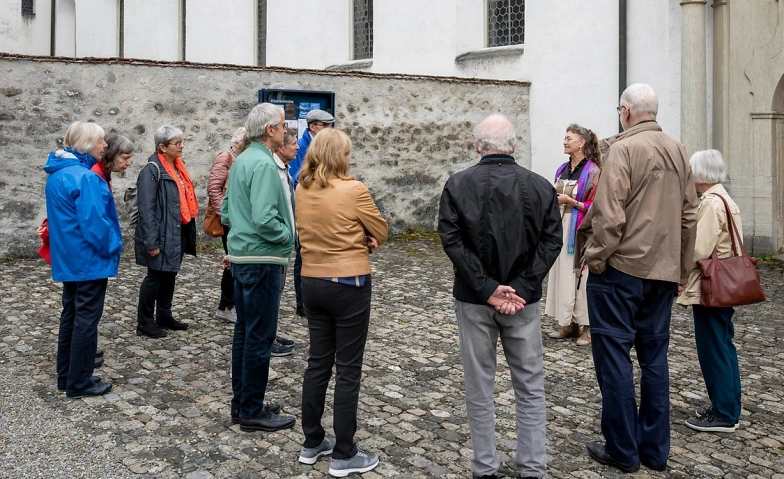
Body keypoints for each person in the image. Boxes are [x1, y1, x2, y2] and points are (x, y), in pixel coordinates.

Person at [580, 83, 699, 473]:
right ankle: (654, 451)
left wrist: (594, 259)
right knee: (654, 360)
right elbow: (689, 215)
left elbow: (609, 216)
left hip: (621, 269)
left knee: (613, 358)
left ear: (626, 112)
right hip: (663, 272)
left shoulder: (624, 149)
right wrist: (681, 269)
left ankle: (623, 450)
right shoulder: (679, 149)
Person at [438, 114, 562, 479]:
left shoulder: (458, 184)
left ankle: (486, 467)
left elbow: (452, 238)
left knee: (480, 386)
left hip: (478, 300)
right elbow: (551, 240)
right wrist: (519, 287)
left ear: (478, 146)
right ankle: (532, 467)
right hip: (516, 301)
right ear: (513, 145)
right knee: (529, 385)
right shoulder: (540, 186)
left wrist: (489, 288)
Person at [295, 128, 388, 477]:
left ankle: (312, 441)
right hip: (348, 282)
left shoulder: (300, 189)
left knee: (317, 362)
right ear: (340, 155)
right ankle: (345, 452)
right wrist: (362, 237)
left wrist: (354, 233)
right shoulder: (354, 189)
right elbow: (380, 230)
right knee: (348, 367)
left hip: (312, 281)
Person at [221, 103, 296, 432]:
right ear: (270, 131)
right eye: (282, 125)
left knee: (245, 334)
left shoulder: (242, 161)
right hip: (262, 258)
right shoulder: (263, 164)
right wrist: (287, 237)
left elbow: (225, 211)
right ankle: (251, 410)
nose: (285, 130)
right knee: (259, 337)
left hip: (243, 256)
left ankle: (244, 403)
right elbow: (266, 219)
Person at [41, 132, 134, 371]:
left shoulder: (59, 174)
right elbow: (95, 225)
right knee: (85, 320)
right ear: (89, 144)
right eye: (101, 141)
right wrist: (114, 245)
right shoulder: (84, 177)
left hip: (71, 258)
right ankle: (79, 380)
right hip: (87, 260)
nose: (105, 145)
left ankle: (66, 374)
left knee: (71, 315)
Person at [677, 149, 743, 433]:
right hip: (724, 283)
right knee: (723, 345)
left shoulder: (712, 203)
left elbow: (699, 248)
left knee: (714, 348)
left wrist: (679, 269)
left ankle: (724, 413)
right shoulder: (724, 199)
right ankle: (727, 405)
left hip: (711, 285)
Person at [134, 125, 198, 338]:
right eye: (176, 143)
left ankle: (164, 315)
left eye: (181, 142)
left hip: (177, 229)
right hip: (161, 232)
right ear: (162, 147)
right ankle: (144, 321)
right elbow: (146, 208)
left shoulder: (179, 167)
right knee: (155, 277)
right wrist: (151, 242)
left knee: (170, 273)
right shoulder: (151, 170)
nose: (181, 146)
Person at [545, 124, 601, 346]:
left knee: (582, 276)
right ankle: (568, 323)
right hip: (561, 227)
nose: (565, 141)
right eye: (564, 137)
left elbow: (596, 205)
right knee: (563, 275)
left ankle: (588, 326)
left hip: (581, 231)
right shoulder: (561, 169)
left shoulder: (593, 172)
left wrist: (571, 202)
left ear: (582, 143)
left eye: (569, 138)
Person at [289, 109, 335, 317]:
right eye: (325, 126)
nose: (329, 130)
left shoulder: (324, 147)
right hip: (305, 207)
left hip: (322, 206)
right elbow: (299, 178)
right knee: (303, 255)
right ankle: (302, 303)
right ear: (313, 127)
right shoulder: (300, 147)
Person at [208, 127, 250, 324]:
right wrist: (225, 216)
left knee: (236, 260)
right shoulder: (226, 157)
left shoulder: (241, 158)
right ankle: (225, 306)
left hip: (238, 218)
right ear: (239, 142)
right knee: (231, 261)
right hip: (230, 220)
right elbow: (214, 188)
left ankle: (232, 303)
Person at [268, 129, 300, 357]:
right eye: (294, 144)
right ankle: (266, 339)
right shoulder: (272, 171)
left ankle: (271, 333)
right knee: (271, 293)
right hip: (276, 242)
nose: (297, 148)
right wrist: (285, 235)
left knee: (277, 291)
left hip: (284, 242)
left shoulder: (284, 170)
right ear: (281, 147)